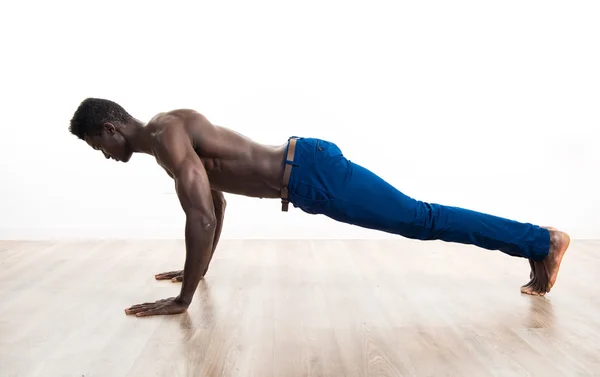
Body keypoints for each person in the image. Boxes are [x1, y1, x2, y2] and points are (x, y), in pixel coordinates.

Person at [68, 98, 570, 317]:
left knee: (422, 219)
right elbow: (216, 203)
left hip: (312, 174)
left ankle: (541, 240)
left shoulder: (166, 136)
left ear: (110, 129)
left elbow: (200, 213)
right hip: (307, 169)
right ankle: (535, 242)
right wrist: (191, 269)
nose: (105, 157)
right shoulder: (165, 136)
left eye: (98, 147)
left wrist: (185, 298)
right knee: (421, 219)